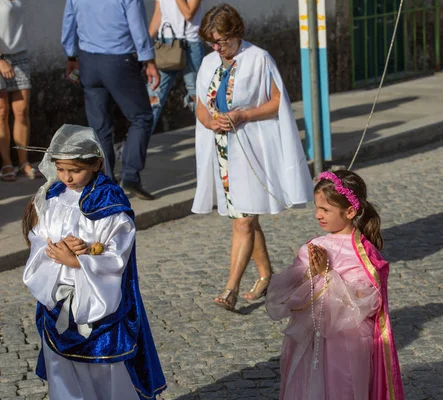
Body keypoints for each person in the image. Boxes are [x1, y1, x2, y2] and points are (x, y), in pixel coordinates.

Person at [21, 125, 167, 399]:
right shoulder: (52, 198)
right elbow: (38, 237)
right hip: (59, 299)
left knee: (106, 373)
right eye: (61, 169)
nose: (66, 177)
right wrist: (58, 249)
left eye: (74, 170)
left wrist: (82, 258)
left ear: (97, 163)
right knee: (64, 371)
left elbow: (118, 253)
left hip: (100, 305)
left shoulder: (108, 201)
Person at [193, 4, 314, 311]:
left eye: (223, 41)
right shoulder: (208, 63)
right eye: (213, 42)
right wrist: (211, 122)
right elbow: (200, 108)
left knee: (244, 222)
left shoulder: (259, 58)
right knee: (245, 216)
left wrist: (245, 114)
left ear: (237, 33)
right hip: (222, 152)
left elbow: (277, 103)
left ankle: (230, 289)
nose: (218, 48)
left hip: (252, 151)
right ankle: (266, 275)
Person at [265, 170, 404, 400]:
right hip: (311, 342)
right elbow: (287, 293)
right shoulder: (314, 246)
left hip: (346, 345)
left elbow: (366, 302)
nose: (318, 215)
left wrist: (327, 274)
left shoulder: (362, 254)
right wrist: (310, 273)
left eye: (326, 210)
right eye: (317, 208)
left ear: (350, 211)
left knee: (342, 389)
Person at [61, 0, 161, 200]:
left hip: (88, 60)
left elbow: (68, 24)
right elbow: (138, 28)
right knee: (141, 117)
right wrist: (149, 60)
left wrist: (71, 56)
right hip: (118, 60)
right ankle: (131, 176)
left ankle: (106, 182)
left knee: (100, 127)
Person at [148, 0, 204, 134]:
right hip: (164, 44)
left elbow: (189, 13)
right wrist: (145, 42)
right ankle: (136, 147)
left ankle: (211, 143)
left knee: (197, 96)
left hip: (189, 45)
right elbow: (158, 14)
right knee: (153, 97)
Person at [0, 0, 41, 182]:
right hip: (0, 56)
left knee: (22, 110)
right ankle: (6, 163)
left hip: (19, 54)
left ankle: (23, 162)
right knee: (1, 112)